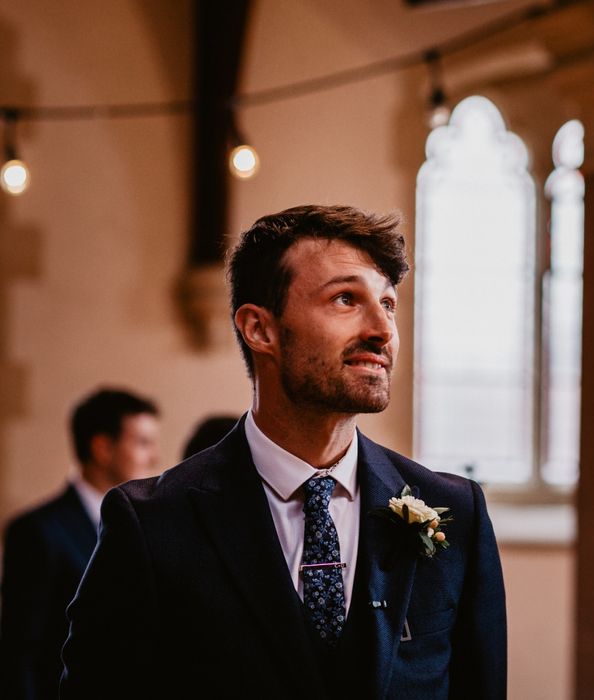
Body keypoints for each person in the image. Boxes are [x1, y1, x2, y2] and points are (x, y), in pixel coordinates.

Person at [61, 205, 506, 699]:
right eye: (345, 299)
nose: (382, 329)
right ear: (260, 329)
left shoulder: (456, 512)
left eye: (389, 303)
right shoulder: (152, 524)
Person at [0, 387, 159, 700]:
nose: (154, 457)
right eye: (142, 443)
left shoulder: (150, 526)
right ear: (102, 448)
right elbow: (19, 654)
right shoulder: (37, 531)